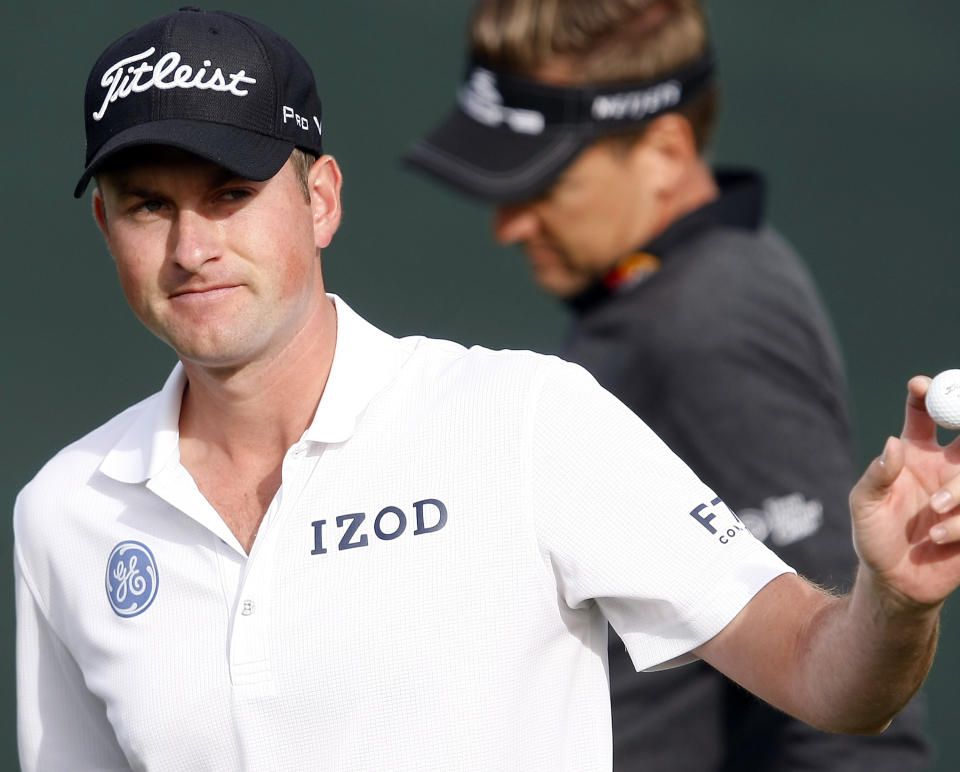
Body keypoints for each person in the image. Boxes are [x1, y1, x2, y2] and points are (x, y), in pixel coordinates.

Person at [13, 8, 960, 772]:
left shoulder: (526, 415)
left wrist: (897, 599)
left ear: (321, 200)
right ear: (107, 226)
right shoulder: (62, 513)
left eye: (229, 195)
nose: (191, 248)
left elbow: (825, 677)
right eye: (149, 205)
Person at [403, 0, 931, 768]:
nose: (508, 224)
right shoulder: (650, 299)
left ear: (663, 148)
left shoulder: (712, 318)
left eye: (542, 180)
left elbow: (842, 701)